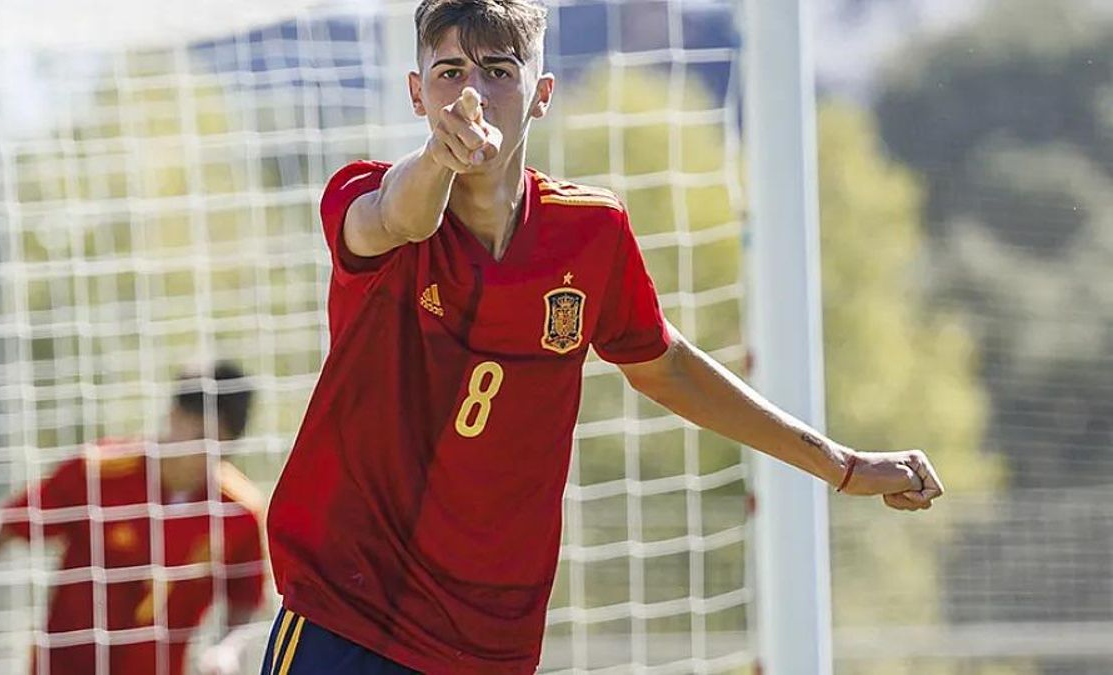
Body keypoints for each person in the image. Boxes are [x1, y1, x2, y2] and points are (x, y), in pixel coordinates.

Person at [263, 0, 946, 673]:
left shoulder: (590, 233)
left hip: (487, 642)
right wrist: (440, 159)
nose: (471, 94)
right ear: (417, 93)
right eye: (448, 73)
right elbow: (397, 216)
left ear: (542, 94)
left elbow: (665, 365)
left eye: (499, 72)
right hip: (346, 614)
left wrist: (840, 463)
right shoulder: (365, 194)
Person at [0, 361, 266, 675]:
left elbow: (245, 601)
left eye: (216, 441)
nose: (199, 451)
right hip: (63, 665)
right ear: (173, 416)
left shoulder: (240, 513)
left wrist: (227, 648)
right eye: (195, 433)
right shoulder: (100, 470)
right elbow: (7, 521)